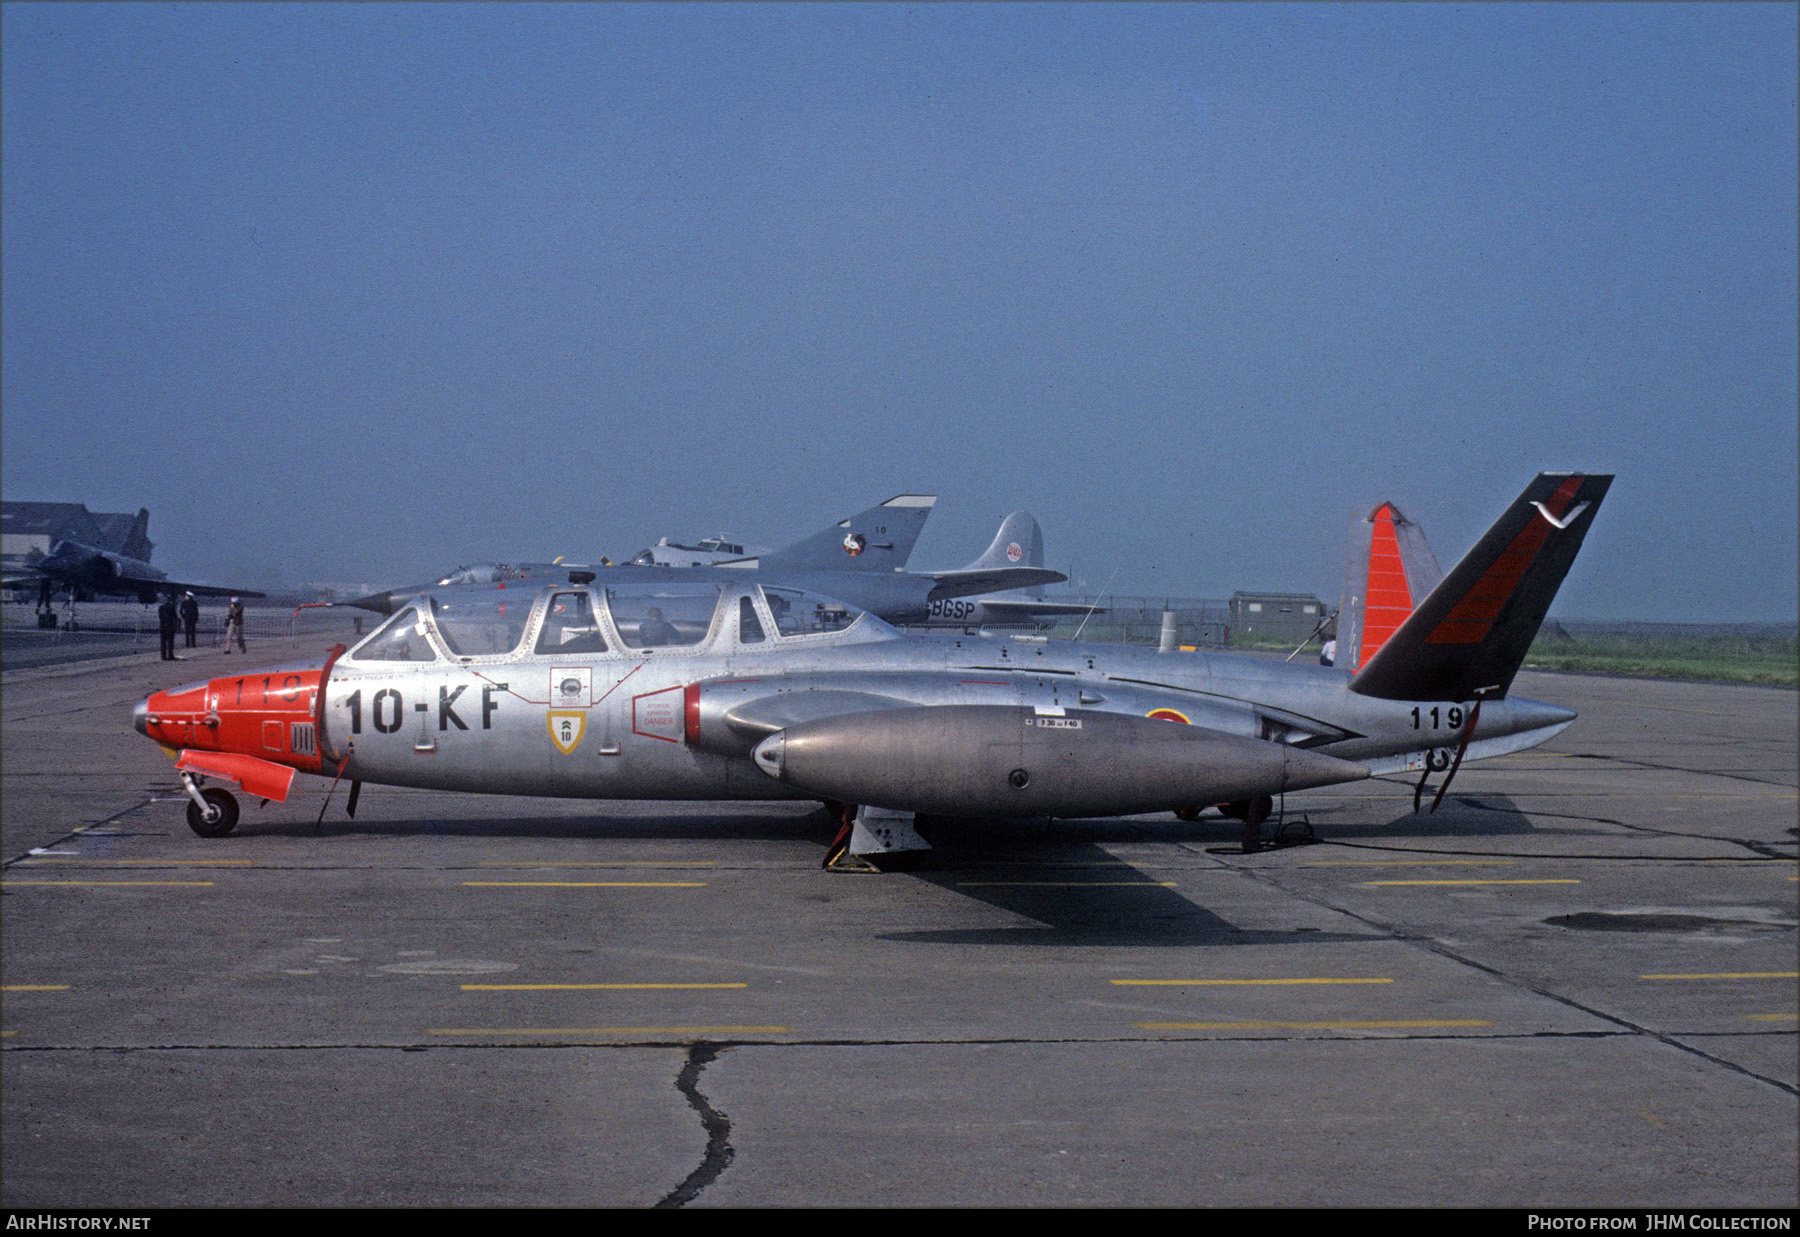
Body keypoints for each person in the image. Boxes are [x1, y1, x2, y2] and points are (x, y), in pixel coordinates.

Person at [157, 596, 179, 661]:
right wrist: (175, 626)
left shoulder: (161, 607)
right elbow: (175, 618)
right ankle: (170, 655)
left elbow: (160, 617)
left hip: (162, 627)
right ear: (171, 601)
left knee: (163, 642)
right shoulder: (172, 607)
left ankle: (163, 656)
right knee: (170, 642)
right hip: (170, 627)